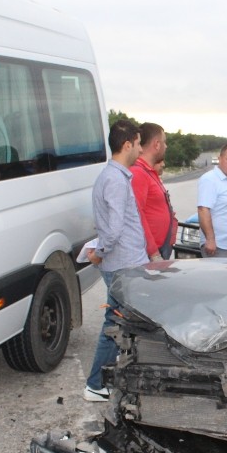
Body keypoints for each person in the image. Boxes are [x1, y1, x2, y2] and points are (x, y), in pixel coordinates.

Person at [82, 119, 147, 401]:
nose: (141, 149)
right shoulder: (114, 180)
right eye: (139, 143)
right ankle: (95, 383)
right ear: (127, 144)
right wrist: (100, 252)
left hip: (124, 261)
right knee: (116, 321)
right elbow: (114, 228)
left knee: (123, 321)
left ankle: (111, 377)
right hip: (122, 263)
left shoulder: (116, 177)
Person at [130, 122, 177, 261]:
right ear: (156, 144)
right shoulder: (138, 173)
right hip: (152, 253)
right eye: (164, 142)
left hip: (161, 248)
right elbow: (138, 215)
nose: (166, 146)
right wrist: (153, 252)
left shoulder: (149, 171)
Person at [196, 143, 227, 257]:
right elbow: (203, 210)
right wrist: (210, 239)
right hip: (218, 246)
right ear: (220, 158)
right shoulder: (210, 180)